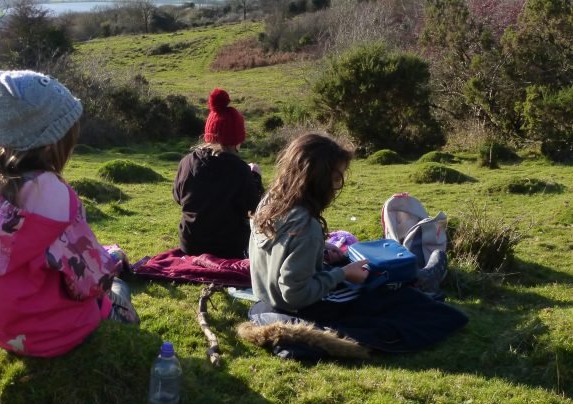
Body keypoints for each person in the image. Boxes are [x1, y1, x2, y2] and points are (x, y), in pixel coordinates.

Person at [0, 63, 139, 358]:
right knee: (119, 292)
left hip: (4, 329)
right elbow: (92, 280)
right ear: (50, 143)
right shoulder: (51, 197)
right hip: (60, 332)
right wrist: (111, 265)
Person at [249, 132, 467, 352]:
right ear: (320, 180)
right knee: (390, 293)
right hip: (303, 307)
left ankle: (417, 278)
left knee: (363, 272)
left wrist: (321, 247)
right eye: (337, 179)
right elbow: (295, 294)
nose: (336, 188)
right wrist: (343, 274)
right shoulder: (306, 227)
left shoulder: (269, 203)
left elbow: (282, 251)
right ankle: (419, 280)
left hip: (268, 296)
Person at [173, 88, 263, 259]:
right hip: (229, 249)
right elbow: (254, 208)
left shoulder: (186, 163)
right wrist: (255, 178)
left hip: (189, 245)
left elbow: (178, 198)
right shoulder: (240, 169)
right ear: (237, 139)